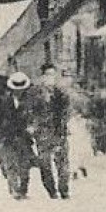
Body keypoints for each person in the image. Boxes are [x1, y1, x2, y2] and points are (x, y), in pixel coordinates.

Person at [0, 72, 42, 199]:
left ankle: (23, 190)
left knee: (24, 166)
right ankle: (14, 189)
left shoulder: (31, 103)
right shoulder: (3, 103)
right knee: (11, 165)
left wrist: (33, 128)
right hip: (7, 138)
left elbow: (37, 118)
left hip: (23, 139)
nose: (19, 92)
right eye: (16, 89)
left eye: (21, 89)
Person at [33, 64, 72, 199]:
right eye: (48, 75)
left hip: (58, 131)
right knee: (44, 163)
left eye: (53, 75)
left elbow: (66, 111)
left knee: (63, 162)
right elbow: (31, 112)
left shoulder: (60, 93)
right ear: (42, 77)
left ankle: (64, 188)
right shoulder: (35, 94)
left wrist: (64, 124)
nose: (51, 78)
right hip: (42, 132)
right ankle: (51, 190)